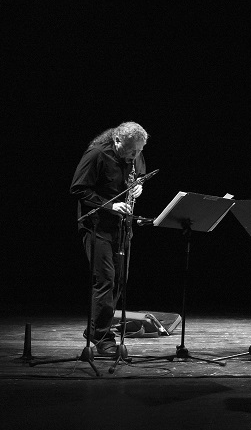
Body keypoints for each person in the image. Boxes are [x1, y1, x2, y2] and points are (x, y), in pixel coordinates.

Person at [70, 121, 149, 356]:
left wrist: (139, 186)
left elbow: (139, 175)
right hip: (97, 226)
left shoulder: (135, 152)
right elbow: (78, 188)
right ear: (117, 141)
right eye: (132, 150)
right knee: (105, 280)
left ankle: (95, 329)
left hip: (122, 226)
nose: (136, 155)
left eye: (139, 150)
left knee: (120, 280)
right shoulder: (96, 154)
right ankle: (103, 337)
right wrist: (111, 205)